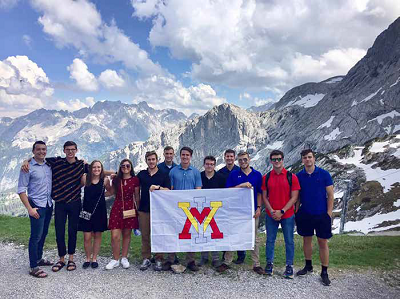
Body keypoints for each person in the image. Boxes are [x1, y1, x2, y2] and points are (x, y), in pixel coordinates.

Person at [22, 141, 89, 272]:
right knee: (59, 231)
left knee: (72, 231)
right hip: (60, 203)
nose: (70, 152)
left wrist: (115, 172)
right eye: (68, 149)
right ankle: (61, 259)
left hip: (75, 202)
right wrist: (26, 160)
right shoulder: (56, 162)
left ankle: (71, 259)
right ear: (64, 150)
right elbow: (39, 157)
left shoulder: (82, 165)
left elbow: (98, 170)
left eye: (72, 149)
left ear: (76, 150)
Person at [295, 149, 334, 286]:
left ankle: (324, 271)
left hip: (321, 214)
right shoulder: (299, 176)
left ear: (314, 159)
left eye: (309, 157)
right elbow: (298, 196)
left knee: (322, 242)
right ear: (302, 160)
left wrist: (328, 213)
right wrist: (296, 211)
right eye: (305, 157)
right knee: (307, 240)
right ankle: (308, 266)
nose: (307, 160)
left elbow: (330, 195)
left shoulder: (324, 174)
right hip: (305, 213)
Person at [262, 150, 300, 279]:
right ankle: (269, 264)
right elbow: (264, 196)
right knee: (270, 240)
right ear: (271, 161)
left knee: (289, 240)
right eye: (274, 159)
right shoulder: (266, 177)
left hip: (287, 214)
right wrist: (272, 210)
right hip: (271, 214)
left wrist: (282, 211)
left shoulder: (291, 177)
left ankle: (289, 266)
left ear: (283, 159)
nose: (277, 161)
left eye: (279, 159)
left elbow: (294, 197)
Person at [17, 141, 53, 278]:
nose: (41, 151)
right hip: (36, 206)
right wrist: (30, 209)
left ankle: (38, 258)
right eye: (38, 149)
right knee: (35, 236)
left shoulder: (48, 165)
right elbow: (21, 190)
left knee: (43, 234)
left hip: (49, 204)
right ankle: (33, 266)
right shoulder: (27, 167)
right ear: (33, 151)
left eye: (44, 149)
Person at [163, 146, 202, 272]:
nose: (185, 157)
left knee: (191, 233)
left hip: (191, 209)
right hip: (176, 208)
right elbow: (170, 190)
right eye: (183, 155)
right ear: (180, 156)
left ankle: (190, 260)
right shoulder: (173, 172)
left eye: (187, 155)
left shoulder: (196, 172)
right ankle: (170, 259)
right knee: (174, 232)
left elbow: (198, 190)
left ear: (191, 157)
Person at [226, 151, 263, 275]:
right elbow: (227, 191)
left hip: (251, 211)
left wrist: (258, 207)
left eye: (245, 159)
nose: (243, 162)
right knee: (232, 234)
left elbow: (259, 193)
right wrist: (240, 185)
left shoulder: (257, 175)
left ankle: (256, 264)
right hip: (236, 211)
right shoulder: (234, 174)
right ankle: (227, 261)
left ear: (249, 160)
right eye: (240, 160)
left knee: (254, 237)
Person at [137, 151, 171, 271]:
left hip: (159, 211)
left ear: (157, 160)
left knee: (158, 234)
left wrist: (158, 188)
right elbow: (136, 191)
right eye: (149, 159)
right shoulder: (141, 174)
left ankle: (158, 258)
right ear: (146, 161)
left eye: (153, 159)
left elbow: (168, 190)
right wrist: (137, 207)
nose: (151, 161)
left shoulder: (163, 174)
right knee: (145, 235)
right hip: (144, 209)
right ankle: (146, 258)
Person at [106, 159, 140, 270]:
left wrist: (138, 211)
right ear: (120, 168)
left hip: (130, 208)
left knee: (126, 234)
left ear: (131, 167)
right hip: (117, 208)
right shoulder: (116, 179)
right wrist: (100, 191)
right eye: (123, 166)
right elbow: (111, 192)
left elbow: (137, 196)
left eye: (127, 166)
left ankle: (124, 257)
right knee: (115, 235)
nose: (125, 167)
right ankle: (115, 259)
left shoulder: (135, 180)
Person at [78, 160, 112, 269]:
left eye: (99, 167)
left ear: (102, 169)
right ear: (90, 169)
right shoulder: (85, 178)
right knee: (87, 236)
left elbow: (111, 192)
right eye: (94, 167)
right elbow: (77, 188)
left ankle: (94, 258)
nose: (96, 169)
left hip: (99, 211)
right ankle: (87, 258)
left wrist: (102, 196)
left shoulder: (105, 180)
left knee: (97, 235)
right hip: (86, 210)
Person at [218, 149, 245, 265]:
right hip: (225, 206)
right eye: (227, 156)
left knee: (239, 229)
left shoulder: (240, 171)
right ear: (224, 157)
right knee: (226, 230)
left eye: (231, 156)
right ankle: (226, 254)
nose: (229, 158)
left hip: (239, 205)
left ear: (234, 158)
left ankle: (241, 254)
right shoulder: (220, 172)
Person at [199, 156, 225, 269]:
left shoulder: (220, 177)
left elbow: (225, 194)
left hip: (216, 210)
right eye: (207, 164)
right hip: (202, 210)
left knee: (214, 234)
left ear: (214, 165)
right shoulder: (199, 177)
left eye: (211, 164)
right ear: (204, 165)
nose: (209, 166)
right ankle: (204, 257)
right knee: (202, 233)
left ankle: (215, 258)